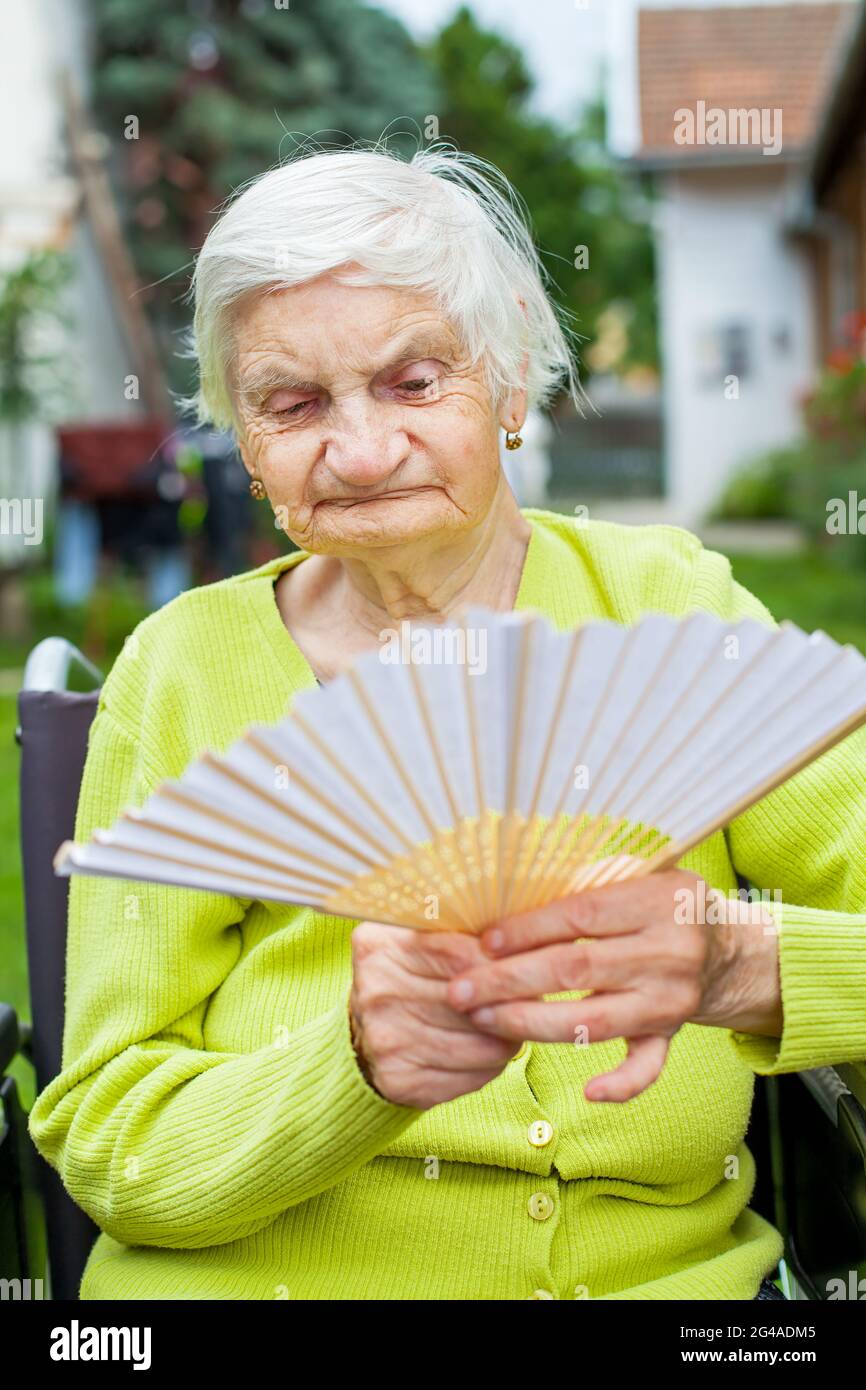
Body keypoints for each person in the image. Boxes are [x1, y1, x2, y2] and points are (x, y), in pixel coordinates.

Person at [28, 145, 866, 1301]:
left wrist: (747, 965)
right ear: (245, 438)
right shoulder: (181, 671)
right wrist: (354, 1068)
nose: (362, 452)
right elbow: (110, 1143)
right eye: (293, 403)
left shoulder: (667, 611)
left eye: (414, 382)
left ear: (512, 377)